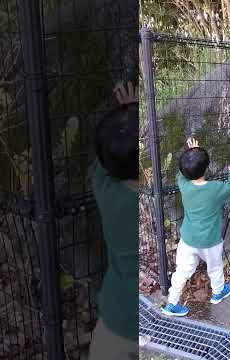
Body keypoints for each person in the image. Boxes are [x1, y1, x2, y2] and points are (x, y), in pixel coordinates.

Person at [88, 81, 139, 360]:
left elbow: (102, 162)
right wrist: (131, 113)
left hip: (117, 318)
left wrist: (125, 116)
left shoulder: (104, 189)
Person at [162, 137, 230, 316]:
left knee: (182, 271)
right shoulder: (215, 188)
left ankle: (172, 303)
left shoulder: (183, 185)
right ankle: (218, 292)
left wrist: (191, 153)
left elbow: (180, 174)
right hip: (210, 241)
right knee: (214, 267)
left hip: (188, 240)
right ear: (206, 167)